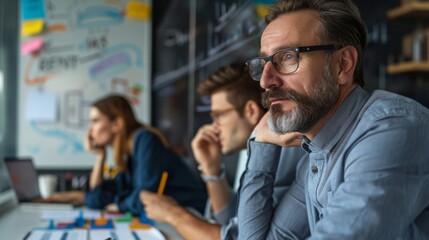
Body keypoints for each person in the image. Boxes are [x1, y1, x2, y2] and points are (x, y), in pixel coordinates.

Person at [238, 0, 429, 239]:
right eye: (264, 63)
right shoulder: (316, 154)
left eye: (287, 57)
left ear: (343, 65)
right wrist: (262, 143)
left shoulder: (395, 128)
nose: (266, 81)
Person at [140, 62, 305, 239]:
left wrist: (171, 214)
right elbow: (232, 221)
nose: (214, 127)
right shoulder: (251, 148)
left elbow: (239, 236)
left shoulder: (283, 153)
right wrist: (212, 169)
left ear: (250, 111)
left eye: (219, 116)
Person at [44, 95, 207, 215]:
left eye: (95, 121)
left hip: (194, 215)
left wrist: (120, 205)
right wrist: (100, 157)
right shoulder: (128, 156)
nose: (90, 129)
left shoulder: (144, 139)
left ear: (117, 124)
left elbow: (145, 196)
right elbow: (98, 197)